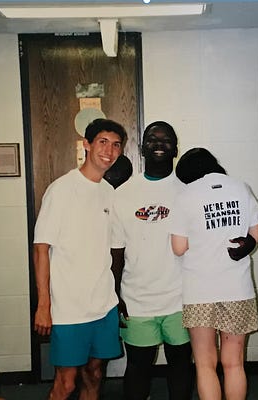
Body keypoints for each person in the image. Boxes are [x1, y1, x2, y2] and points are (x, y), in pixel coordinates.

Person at [33, 118, 127, 400]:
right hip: (69, 308)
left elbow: (115, 249)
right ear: (86, 144)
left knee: (95, 374)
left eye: (116, 145)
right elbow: (41, 249)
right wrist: (44, 305)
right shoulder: (61, 189)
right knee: (66, 383)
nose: (109, 151)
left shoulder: (109, 193)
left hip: (103, 304)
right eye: (102, 142)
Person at [169, 148, 258, 400]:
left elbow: (178, 248)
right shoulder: (241, 188)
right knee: (234, 363)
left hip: (200, 291)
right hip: (238, 289)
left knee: (205, 364)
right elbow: (256, 235)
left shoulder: (186, 195)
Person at [110, 121, 193, 400]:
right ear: (142, 148)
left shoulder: (188, 192)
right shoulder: (123, 194)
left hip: (181, 299)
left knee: (181, 365)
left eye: (166, 139)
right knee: (138, 367)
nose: (159, 143)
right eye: (152, 139)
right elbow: (116, 252)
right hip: (137, 300)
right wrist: (115, 294)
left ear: (175, 149)